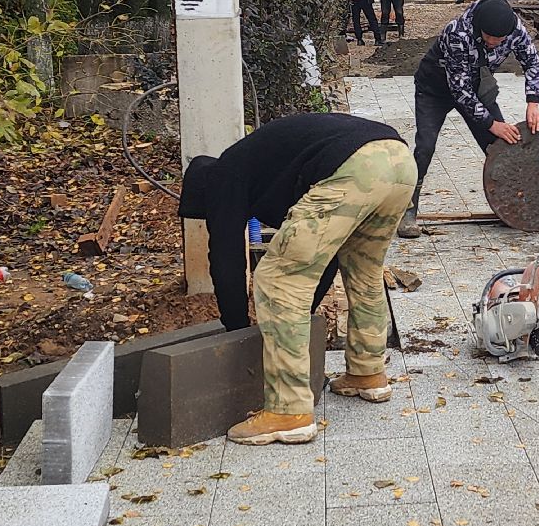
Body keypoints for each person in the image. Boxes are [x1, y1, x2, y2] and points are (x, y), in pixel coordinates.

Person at [178, 113, 417, 445]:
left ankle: (287, 411)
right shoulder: (262, 165)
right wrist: (301, 311)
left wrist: (238, 329)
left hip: (353, 166)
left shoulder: (221, 176)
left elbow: (226, 260)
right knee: (364, 271)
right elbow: (324, 257)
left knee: (278, 280)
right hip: (398, 160)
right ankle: (367, 372)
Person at [397, 0, 539, 237]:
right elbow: (460, 91)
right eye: (489, 38)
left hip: (477, 84)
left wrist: (533, 102)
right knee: (425, 146)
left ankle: (514, 204)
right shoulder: (458, 33)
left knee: (500, 145)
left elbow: (532, 62)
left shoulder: (514, 28)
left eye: (500, 40)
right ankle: (408, 209)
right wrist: (491, 123)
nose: (495, 43)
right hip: (435, 89)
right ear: (479, 28)